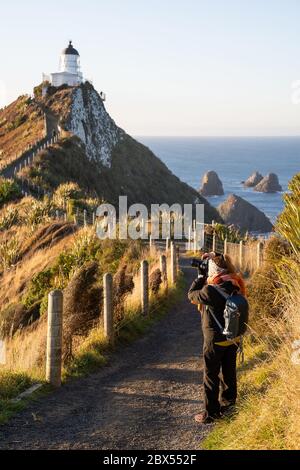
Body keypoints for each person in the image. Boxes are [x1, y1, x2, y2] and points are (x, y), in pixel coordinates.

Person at [188, 251, 246, 424]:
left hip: (215, 340)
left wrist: (199, 276)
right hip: (233, 338)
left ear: (212, 270)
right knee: (229, 372)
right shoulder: (235, 283)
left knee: (211, 374)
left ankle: (211, 413)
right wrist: (215, 255)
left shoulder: (210, 290)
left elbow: (191, 295)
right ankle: (229, 407)